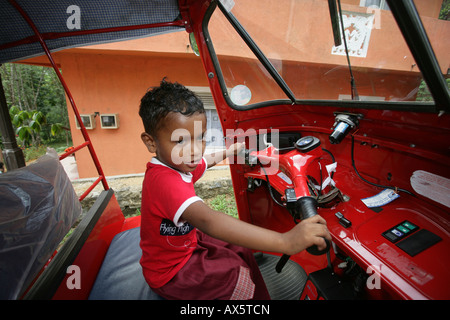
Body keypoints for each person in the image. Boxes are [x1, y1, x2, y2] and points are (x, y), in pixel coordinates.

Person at [138, 78, 331, 300]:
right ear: (151, 142)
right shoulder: (165, 182)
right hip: (172, 271)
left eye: (200, 138)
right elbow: (209, 221)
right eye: (180, 141)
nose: (194, 150)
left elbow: (205, 161)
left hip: (185, 243)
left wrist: (230, 151)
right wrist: (285, 241)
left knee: (239, 248)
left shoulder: (178, 164)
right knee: (232, 274)